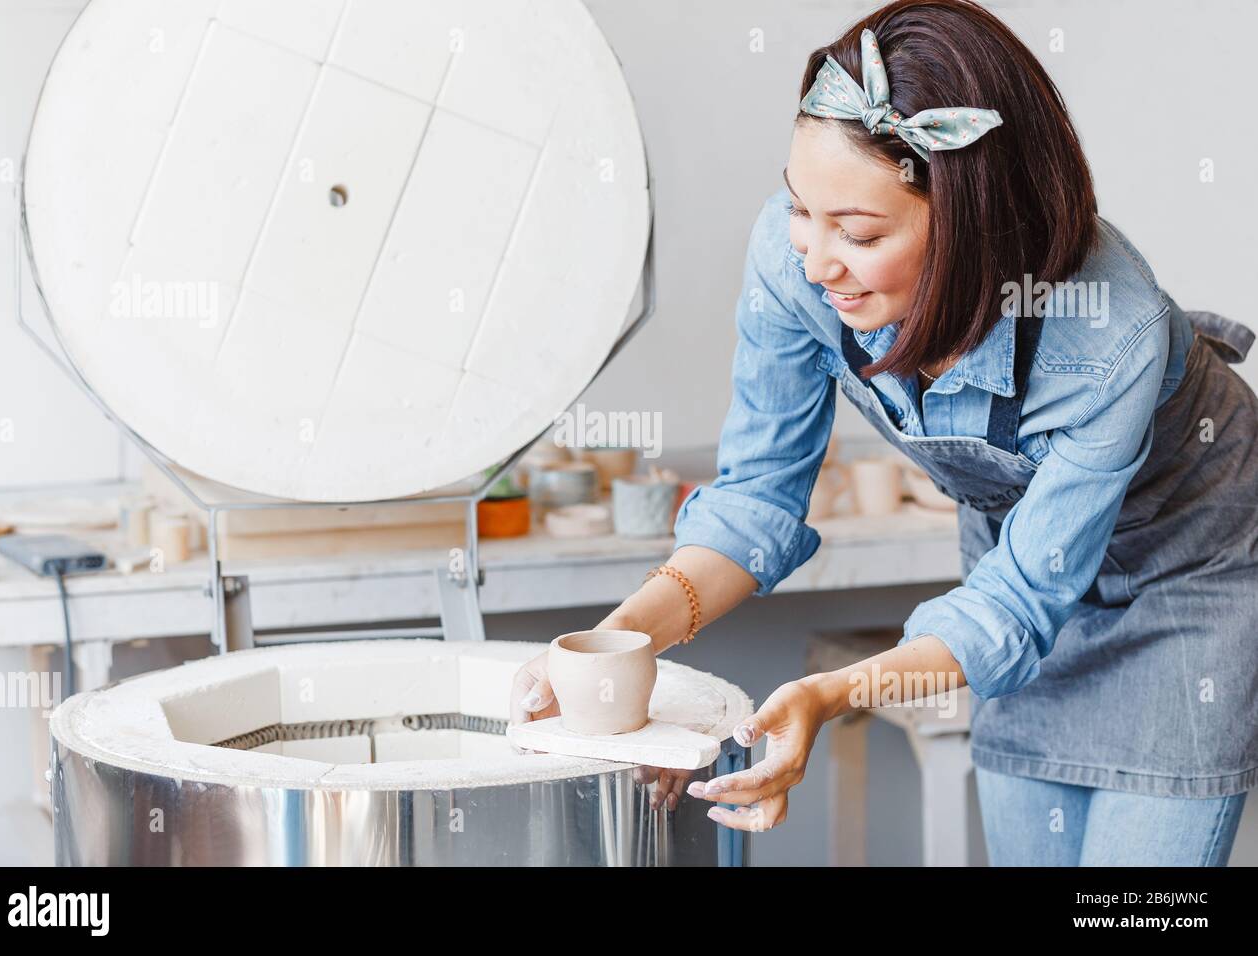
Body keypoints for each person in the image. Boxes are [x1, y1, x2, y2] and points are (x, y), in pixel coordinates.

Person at [510, 0, 1255, 865]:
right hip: (1012, 566)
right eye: (800, 209)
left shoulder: (1106, 333)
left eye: (859, 233)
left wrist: (831, 695)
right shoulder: (798, 262)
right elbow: (755, 500)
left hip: (1184, 573)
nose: (817, 259)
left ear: (976, 224)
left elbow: (1020, 602)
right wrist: (617, 647)